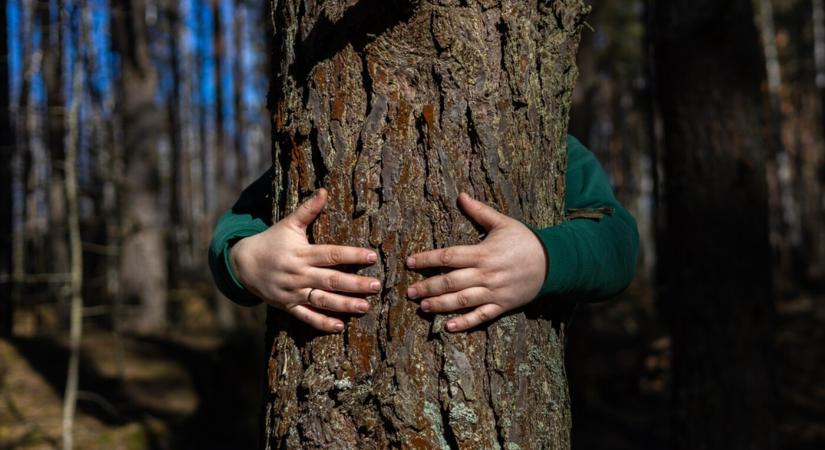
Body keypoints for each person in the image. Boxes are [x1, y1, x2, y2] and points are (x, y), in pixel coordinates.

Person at [209, 135, 639, 333]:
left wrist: (545, 259)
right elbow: (235, 226)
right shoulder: (317, 140)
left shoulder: (548, 145)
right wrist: (247, 260)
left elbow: (619, 241)